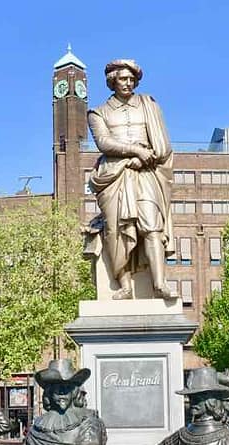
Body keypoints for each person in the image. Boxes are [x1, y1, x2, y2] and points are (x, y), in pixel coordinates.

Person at [87, 59, 177, 300]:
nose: (127, 83)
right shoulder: (98, 112)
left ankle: (159, 284)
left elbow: (163, 143)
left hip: (146, 172)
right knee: (116, 232)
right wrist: (135, 151)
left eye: (131, 79)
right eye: (122, 79)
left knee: (152, 225)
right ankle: (125, 287)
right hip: (114, 176)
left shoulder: (149, 105)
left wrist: (146, 157)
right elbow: (104, 142)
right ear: (112, 81)